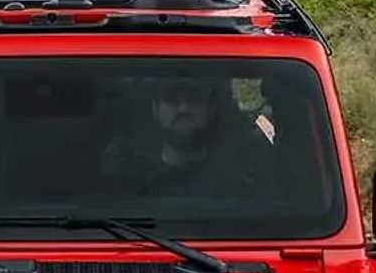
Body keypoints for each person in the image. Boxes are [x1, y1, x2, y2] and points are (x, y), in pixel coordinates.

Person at [102, 72, 274, 197]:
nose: (183, 108)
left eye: (194, 98)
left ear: (211, 108)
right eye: (170, 98)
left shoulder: (241, 188)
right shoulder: (125, 181)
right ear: (155, 109)